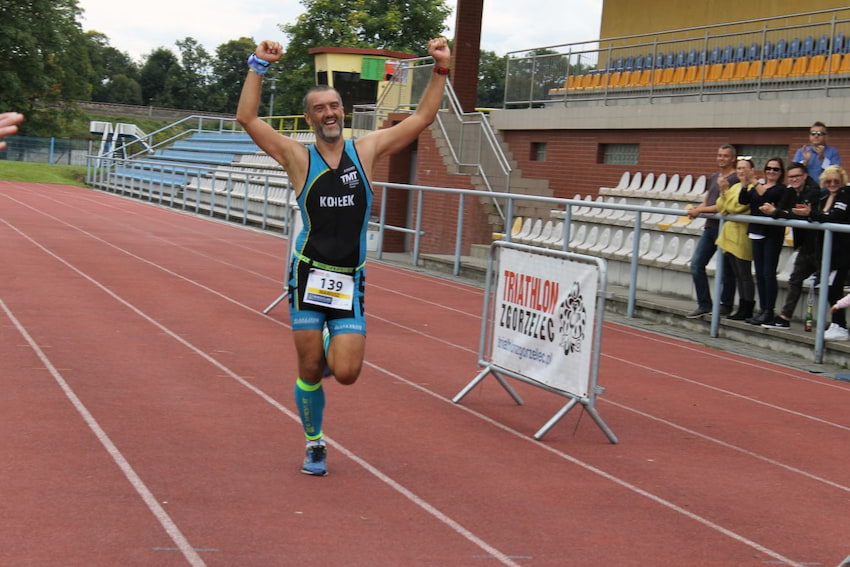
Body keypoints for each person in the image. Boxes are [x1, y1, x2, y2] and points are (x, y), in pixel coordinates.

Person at [236, 38, 451, 476]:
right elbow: (247, 118)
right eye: (320, 108)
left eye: (334, 105)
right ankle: (314, 443)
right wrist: (258, 65)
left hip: (349, 279)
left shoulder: (365, 151)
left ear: (343, 111)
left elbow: (424, 117)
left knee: (347, 372)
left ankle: (334, 346)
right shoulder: (298, 158)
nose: (330, 113)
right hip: (309, 274)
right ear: (309, 117)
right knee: (310, 367)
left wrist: (442, 69)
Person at [760, 162, 821, 329]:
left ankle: (837, 324)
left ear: (805, 176)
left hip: (822, 245)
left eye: (797, 176)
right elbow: (783, 211)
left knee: (832, 287)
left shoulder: (814, 191)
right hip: (805, 245)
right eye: (791, 177)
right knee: (795, 279)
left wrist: (780, 212)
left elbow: (796, 215)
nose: (794, 179)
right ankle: (785, 318)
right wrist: (778, 212)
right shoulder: (789, 191)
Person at [685, 144, 738, 318]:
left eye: (725, 156)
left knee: (727, 270)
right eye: (719, 155)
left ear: (732, 159)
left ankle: (726, 304)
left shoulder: (735, 179)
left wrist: (700, 211)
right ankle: (704, 304)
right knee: (696, 264)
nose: (721, 158)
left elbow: (723, 206)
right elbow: (708, 200)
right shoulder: (714, 176)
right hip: (711, 227)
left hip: (726, 229)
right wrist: (696, 209)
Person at [738, 157, 786, 325]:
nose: (771, 172)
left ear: (781, 173)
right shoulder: (757, 186)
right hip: (756, 232)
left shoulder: (781, 188)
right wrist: (745, 183)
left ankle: (769, 310)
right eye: (769, 168)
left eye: (776, 169)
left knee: (768, 273)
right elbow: (743, 200)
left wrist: (753, 181)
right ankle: (762, 308)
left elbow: (767, 195)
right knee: (759, 273)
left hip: (772, 234)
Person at [809, 165, 850, 341]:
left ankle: (840, 325)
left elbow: (836, 217)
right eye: (829, 181)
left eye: (836, 181)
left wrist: (812, 214)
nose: (833, 184)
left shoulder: (846, 194)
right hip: (826, 251)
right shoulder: (823, 196)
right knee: (830, 287)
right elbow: (817, 216)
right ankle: (836, 323)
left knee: (834, 288)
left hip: (842, 251)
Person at [715, 158, 755, 321]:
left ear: (751, 170)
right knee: (736, 274)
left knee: (744, 274)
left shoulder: (752, 188)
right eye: (738, 168)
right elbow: (722, 208)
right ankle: (740, 306)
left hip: (742, 236)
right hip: (729, 236)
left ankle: (747, 306)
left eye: (744, 168)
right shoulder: (735, 187)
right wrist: (724, 193)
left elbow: (736, 207)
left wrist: (724, 193)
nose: (741, 171)